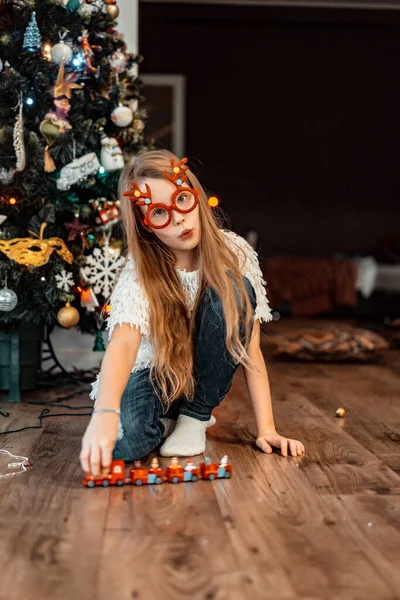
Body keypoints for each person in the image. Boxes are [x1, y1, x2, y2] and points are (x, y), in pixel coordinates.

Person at [80, 150, 305, 478]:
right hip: (153, 373)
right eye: (159, 212)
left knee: (233, 285)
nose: (178, 219)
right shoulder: (139, 271)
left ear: (196, 196)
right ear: (146, 227)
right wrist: (105, 412)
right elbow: (125, 344)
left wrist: (267, 428)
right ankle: (165, 421)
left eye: (181, 199)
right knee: (126, 445)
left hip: (200, 379)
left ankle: (194, 416)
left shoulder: (235, 252)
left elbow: (250, 350)